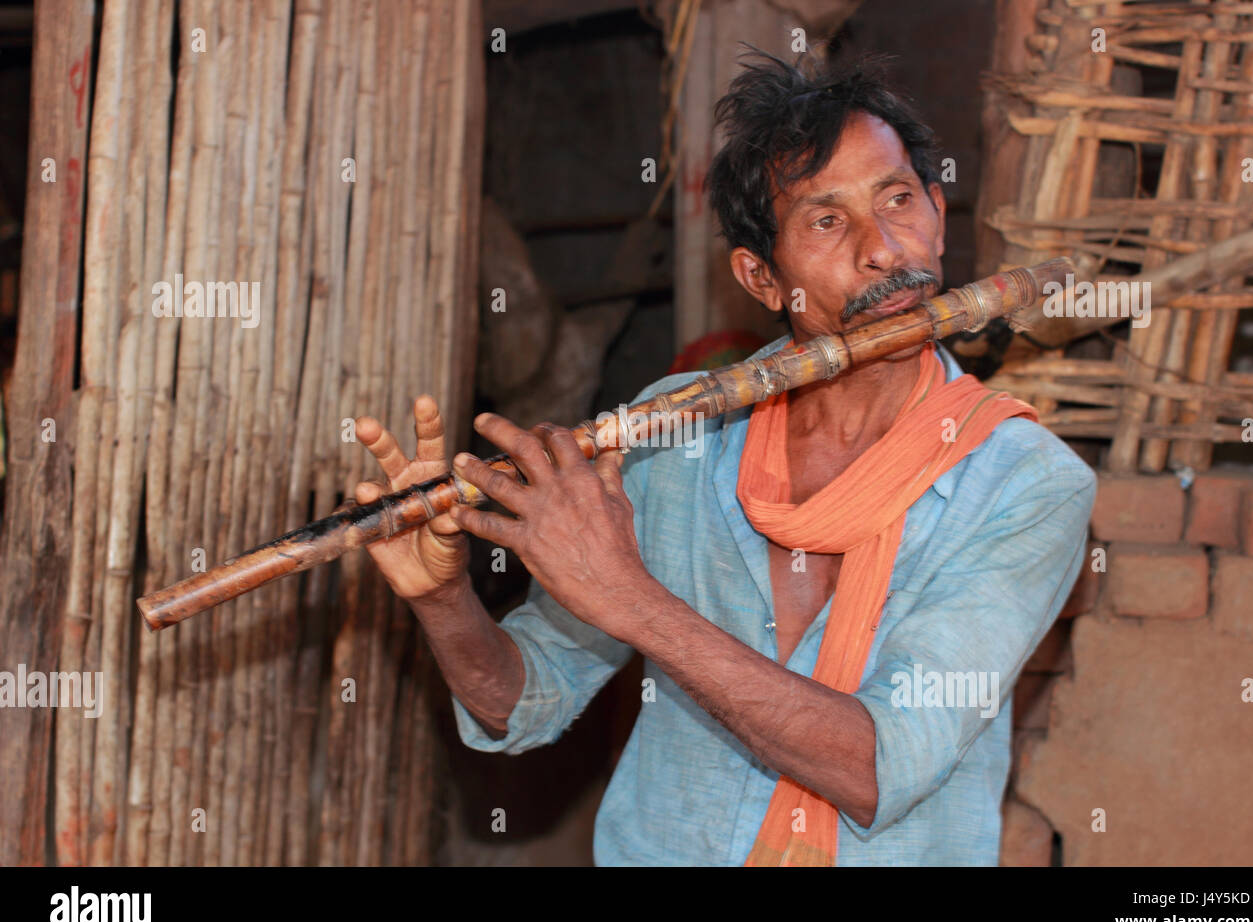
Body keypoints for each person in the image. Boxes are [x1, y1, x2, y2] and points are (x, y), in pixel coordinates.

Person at [353, 50, 1096, 866]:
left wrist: (629, 599)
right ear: (762, 277)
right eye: (826, 221)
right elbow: (520, 703)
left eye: (899, 200)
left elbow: (881, 767)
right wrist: (444, 598)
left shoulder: (1027, 482)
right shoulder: (665, 437)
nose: (884, 251)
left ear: (940, 213)